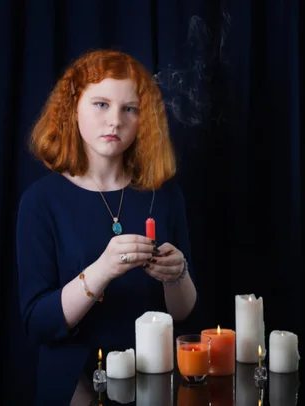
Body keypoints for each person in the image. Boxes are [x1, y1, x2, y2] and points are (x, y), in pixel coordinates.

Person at [15, 49, 198, 405]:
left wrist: (178, 275)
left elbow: (182, 315)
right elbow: (38, 323)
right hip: (74, 383)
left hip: (155, 380)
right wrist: (102, 269)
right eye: (101, 104)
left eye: (129, 108)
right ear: (73, 106)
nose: (115, 121)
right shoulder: (41, 201)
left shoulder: (165, 194)